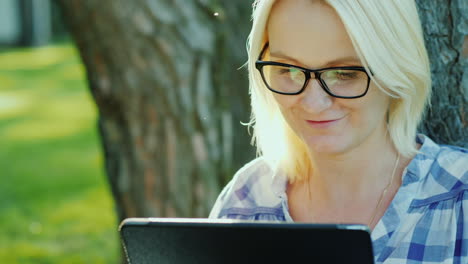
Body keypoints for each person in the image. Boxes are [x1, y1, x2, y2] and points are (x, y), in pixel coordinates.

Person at [208, 0, 468, 263]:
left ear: (397, 70)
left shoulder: (460, 201)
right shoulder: (247, 200)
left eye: (344, 74)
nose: (313, 103)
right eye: (289, 70)